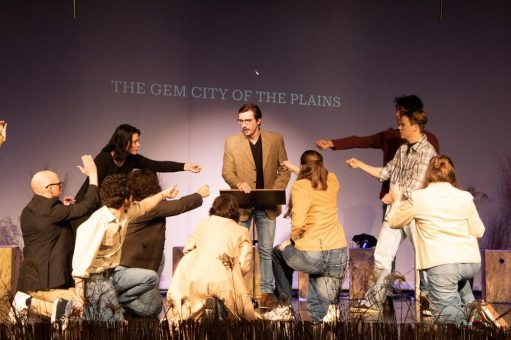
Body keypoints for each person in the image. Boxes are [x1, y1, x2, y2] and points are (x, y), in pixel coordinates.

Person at [346, 109, 437, 311]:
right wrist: (360, 165)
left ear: (415, 126)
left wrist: (395, 196)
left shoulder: (427, 152)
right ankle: (375, 301)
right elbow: (386, 173)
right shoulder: (402, 150)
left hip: (414, 213)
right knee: (381, 256)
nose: (399, 127)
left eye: (402, 124)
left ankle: (429, 302)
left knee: (424, 258)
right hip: (395, 211)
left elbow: (416, 185)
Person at [387, 155, 485, 324]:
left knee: (449, 320)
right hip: (470, 262)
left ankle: (466, 325)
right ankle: (472, 312)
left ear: (429, 175)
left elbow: (394, 222)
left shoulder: (419, 197)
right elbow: (479, 231)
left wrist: (396, 200)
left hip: (442, 263)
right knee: (461, 285)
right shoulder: (465, 197)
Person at [71, 174, 178, 322]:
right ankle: (72, 306)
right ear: (126, 199)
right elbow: (80, 266)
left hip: (113, 274)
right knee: (116, 324)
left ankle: (116, 297)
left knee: (151, 277)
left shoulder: (125, 213)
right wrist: (79, 296)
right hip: (95, 280)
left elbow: (145, 205)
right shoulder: (96, 224)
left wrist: (163, 194)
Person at [12, 155, 99, 322]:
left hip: (29, 282)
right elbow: (90, 204)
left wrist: (64, 208)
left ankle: (29, 302)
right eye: (59, 184)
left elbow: (49, 227)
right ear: (48, 188)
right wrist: (93, 175)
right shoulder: (52, 210)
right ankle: (29, 303)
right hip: (48, 284)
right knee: (83, 304)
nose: (61, 186)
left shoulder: (29, 210)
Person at [222, 103, 291, 308]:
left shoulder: (275, 139)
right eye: (240, 120)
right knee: (239, 249)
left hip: (267, 203)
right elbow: (227, 171)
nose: (243, 124)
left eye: (248, 120)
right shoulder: (232, 142)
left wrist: (274, 191)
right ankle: (238, 291)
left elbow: (284, 170)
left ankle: (266, 292)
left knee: (266, 249)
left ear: (258, 121)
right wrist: (237, 183)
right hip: (243, 203)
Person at [117, 169, 210, 316]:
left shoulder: (141, 204)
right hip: (129, 267)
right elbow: (178, 206)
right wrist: (199, 194)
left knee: (161, 258)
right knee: (153, 308)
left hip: (139, 264)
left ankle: (132, 298)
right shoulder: (146, 207)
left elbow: (163, 207)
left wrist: (164, 196)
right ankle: (120, 299)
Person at [72, 124, 201, 229]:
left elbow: (156, 165)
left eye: (138, 141)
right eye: (135, 142)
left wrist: (185, 166)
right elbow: (92, 187)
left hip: (110, 210)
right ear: (124, 142)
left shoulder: (132, 159)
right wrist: (77, 207)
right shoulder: (103, 158)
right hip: (89, 210)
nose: (138, 145)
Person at [270, 151, 347, 321]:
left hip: (314, 256)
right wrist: (292, 167)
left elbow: (298, 223)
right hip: (338, 255)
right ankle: (328, 312)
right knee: (317, 315)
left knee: (277, 253)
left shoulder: (300, 186)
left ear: (303, 166)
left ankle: (284, 307)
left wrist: (290, 241)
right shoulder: (332, 179)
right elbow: (315, 179)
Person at [316, 95, 440, 201]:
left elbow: (430, 176)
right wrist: (332, 143)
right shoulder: (392, 139)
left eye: (399, 110)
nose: (396, 114)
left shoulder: (429, 143)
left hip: (415, 202)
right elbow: (363, 141)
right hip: (389, 196)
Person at [166, 194, 258, 321]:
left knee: (190, 262)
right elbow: (244, 264)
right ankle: (217, 306)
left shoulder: (202, 224)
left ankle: (200, 309)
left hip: (196, 277)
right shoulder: (241, 230)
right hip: (223, 278)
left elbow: (187, 248)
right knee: (238, 314)